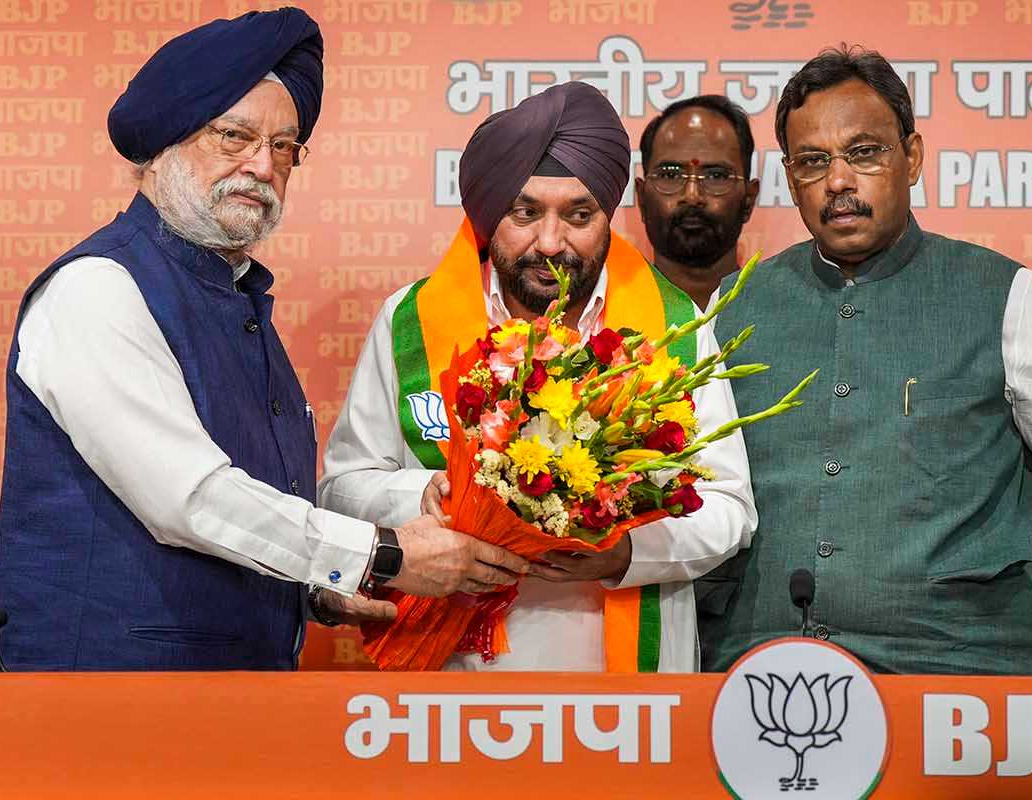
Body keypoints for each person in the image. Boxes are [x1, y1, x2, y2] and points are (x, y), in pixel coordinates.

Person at [0, 9, 527, 671]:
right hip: (101, 706)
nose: (261, 166)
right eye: (233, 136)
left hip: (228, 707)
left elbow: (245, 520)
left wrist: (316, 591)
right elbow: (190, 500)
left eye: (283, 147)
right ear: (162, 145)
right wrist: (381, 556)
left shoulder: (236, 298)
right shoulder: (98, 288)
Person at [319, 82, 756, 672]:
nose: (550, 243)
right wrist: (419, 496)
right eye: (524, 213)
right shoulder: (411, 321)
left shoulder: (673, 327)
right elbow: (342, 489)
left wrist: (625, 553)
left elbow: (729, 507)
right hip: (448, 688)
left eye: (579, 215)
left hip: (628, 702)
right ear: (487, 212)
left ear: (608, 217)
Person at [698, 46, 1032, 675]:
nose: (838, 181)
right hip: (763, 674)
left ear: (913, 157)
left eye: (864, 152)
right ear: (790, 179)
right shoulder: (734, 310)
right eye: (813, 162)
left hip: (960, 674)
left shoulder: (1007, 296)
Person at [636, 95, 760, 311]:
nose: (692, 196)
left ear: (748, 200)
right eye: (671, 175)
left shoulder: (785, 315)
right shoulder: (605, 320)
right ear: (641, 198)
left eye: (716, 176)